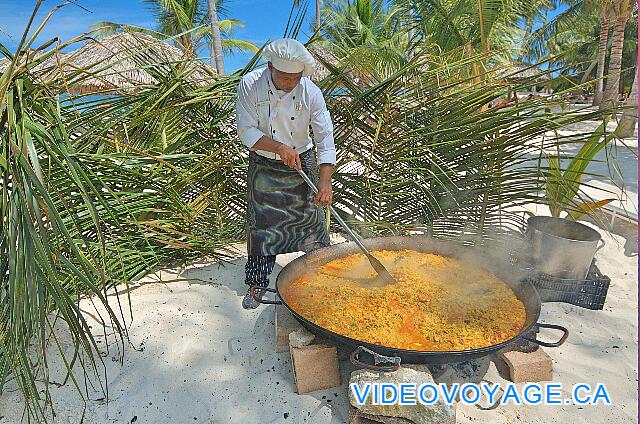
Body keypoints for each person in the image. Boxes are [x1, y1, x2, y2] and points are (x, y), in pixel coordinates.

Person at [235, 38, 337, 309]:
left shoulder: (311, 91)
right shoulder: (250, 85)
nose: (291, 83)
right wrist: (279, 147)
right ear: (270, 66)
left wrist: (325, 182)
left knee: (313, 219)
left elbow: (325, 137)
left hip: (302, 159)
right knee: (262, 226)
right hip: (264, 160)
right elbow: (246, 131)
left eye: (296, 78)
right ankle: (257, 284)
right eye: (285, 77)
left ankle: (322, 278)